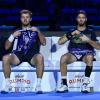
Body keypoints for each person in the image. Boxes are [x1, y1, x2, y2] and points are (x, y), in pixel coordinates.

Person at [2, 10, 46, 94]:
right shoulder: (16, 30)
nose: (25, 19)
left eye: (27, 17)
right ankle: (8, 85)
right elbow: (6, 47)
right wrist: (12, 36)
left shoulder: (35, 30)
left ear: (30, 19)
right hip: (18, 55)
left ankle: (38, 86)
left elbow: (44, 43)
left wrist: (38, 32)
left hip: (32, 55)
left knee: (40, 57)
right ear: (20, 19)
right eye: (23, 17)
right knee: (5, 58)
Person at [57, 10, 100, 93]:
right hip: (73, 53)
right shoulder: (72, 30)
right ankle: (64, 85)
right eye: (79, 18)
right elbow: (60, 42)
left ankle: (85, 84)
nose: (81, 19)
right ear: (77, 19)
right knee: (63, 58)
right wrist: (72, 34)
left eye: (83, 18)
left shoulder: (91, 32)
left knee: (90, 57)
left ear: (86, 19)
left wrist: (88, 40)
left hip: (86, 53)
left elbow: (98, 47)